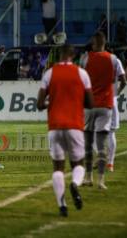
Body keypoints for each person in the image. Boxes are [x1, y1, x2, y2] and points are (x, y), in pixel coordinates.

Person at [37, 44, 93, 217]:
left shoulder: (49, 73)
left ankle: (62, 205)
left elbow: (39, 104)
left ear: (59, 55)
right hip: (74, 125)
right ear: (73, 56)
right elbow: (90, 103)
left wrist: (51, 103)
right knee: (78, 164)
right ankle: (75, 184)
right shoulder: (82, 73)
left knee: (58, 168)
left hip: (54, 126)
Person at [80, 31, 124, 189]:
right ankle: (101, 181)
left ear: (93, 44)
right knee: (103, 143)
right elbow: (123, 80)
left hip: (89, 106)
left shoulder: (86, 58)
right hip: (106, 105)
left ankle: (88, 178)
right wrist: (115, 93)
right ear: (105, 43)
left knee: (88, 144)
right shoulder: (113, 59)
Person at [107, 58, 126, 172]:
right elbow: (124, 82)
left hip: (96, 101)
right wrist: (116, 93)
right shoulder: (116, 61)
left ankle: (100, 155)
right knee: (111, 132)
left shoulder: (91, 59)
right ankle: (110, 164)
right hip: (110, 101)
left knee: (91, 131)